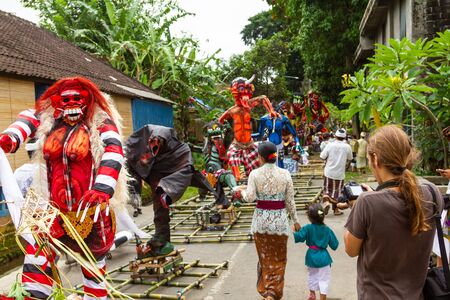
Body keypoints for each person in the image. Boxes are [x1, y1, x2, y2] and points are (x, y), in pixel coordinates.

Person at [0, 77, 127, 299]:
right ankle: (33, 295)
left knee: (92, 264)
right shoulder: (49, 120)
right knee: (37, 248)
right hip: (53, 209)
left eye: (77, 98)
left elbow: (114, 150)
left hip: (89, 209)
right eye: (65, 99)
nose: (71, 103)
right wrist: (11, 137)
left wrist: (102, 188)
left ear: (87, 99)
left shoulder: (99, 122)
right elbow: (28, 118)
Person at [344, 125, 443, 299]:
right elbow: (401, 204)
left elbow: (351, 249)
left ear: (375, 159)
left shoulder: (367, 203)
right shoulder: (432, 193)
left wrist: (357, 208)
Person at [125, 124, 217, 256]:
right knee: (159, 212)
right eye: (151, 142)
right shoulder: (141, 143)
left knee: (162, 206)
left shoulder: (179, 150)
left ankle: (162, 239)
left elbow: (186, 168)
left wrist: (169, 189)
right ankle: (161, 240)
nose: (153, 145)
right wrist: (140, 176)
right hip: (155, 175)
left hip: (166, 181)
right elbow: (130, 155)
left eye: (156, 142)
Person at [241, 141, 301, 300]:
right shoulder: (285, 174)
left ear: (260, 157)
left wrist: (239, 192)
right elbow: (290, 201)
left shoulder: (254, 174)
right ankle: (272, 293)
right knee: (279, 258)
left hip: (261, 223)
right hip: (280, 223)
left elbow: (250, 197)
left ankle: (267, 290)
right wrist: (295, 220)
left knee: (264, 257)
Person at [218, 75, 279, 181]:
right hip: (237, 144)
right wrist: (219, 131)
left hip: (250, 144)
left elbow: (263, 98)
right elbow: (219, 121)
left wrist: (271, 111)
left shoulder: (248, 105)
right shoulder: (231, 111)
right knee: (231, 158)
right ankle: (237, 179)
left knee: (256, 170)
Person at [293, 203, 339, 300]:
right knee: (324, 279)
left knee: (312, 275)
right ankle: (322, 298)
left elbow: (299, 237)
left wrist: (295, 231)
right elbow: (335, 245)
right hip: (323, 258)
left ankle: (312, 294)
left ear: (309, 217)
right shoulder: (327, 230)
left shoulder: (307, 228)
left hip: (311, 257)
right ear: (322, 216)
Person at [320, 128, 352, 215]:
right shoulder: (347, 147)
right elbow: (350, 158)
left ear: (335, 136)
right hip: (340, 174)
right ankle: (336, 210)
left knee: (327, 189)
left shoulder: (330, 145)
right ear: (345, 137)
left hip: (329, 172)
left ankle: (326, 202)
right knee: (337, 192)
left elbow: (322, 156)